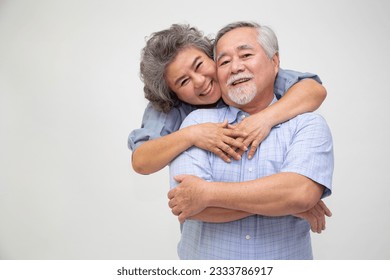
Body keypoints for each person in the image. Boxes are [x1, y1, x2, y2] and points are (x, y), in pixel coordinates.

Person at [128, 24, 331, 233]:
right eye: (183, 81)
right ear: (173, 94)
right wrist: (193, 134)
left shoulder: (245, 74)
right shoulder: (176, 109)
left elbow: (314, 90)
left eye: (199, 66)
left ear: (212, 57)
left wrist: (264, 119)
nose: (199, 82)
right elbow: (142, 161)